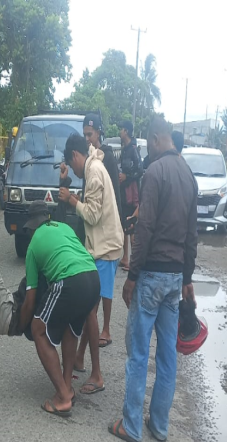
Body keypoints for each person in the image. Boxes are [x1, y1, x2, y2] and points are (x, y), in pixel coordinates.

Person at [109, 115, 198, 442]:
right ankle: (159, 425)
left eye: (149, 142)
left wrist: (132, 276)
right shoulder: (188, 175)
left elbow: (144, 230)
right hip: (175, 278)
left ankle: (131, 426)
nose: (148, 149)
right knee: (167, 355)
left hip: (151, 277)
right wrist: (187, 277)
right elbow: (192, 234)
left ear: (158, 138)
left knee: (137, 352)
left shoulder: (155, 173)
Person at [17, 201, 102, 417]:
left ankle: (63, 398)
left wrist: (21, 324)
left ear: (31, 226)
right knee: (70, 329)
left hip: (70, 280)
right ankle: (67, 387)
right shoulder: (64, 227)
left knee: (38, 329)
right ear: (48, 218)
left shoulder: (33, 245)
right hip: (93, 278)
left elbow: (31, 298)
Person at [58, 133, 124, 395]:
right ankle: (80, 357)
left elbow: (94, 215)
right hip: (102, 246)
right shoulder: (93, 168)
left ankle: (97, 374)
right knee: (89, 308)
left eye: (71, 164)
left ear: (76, 156)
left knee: (89, 311)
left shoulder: (94, 172)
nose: (73, 171)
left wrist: (73, 201)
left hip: (105, 249)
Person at [78, 113, 122, 351]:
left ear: (99, 134)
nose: (88, 139)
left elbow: (114, 194)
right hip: (96, 230)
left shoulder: (105, 160)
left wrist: (121, 225)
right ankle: (83, 349)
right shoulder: (90, 159)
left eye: (90, 134)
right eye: (85, 134)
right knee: (99, 289)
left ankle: (105, 328)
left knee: (104, 289)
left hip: (106, 228)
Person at [118, 120, 143, 272]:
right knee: (124, 224)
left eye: (121, 129)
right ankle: (125, 257)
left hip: (131, 193)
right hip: (124, 192)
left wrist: (127, 177)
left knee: (131, 224)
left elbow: (140, 170)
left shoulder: (133, 149)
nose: (120, 132)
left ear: (126, 131)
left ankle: (134, 261)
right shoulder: (125, 149)